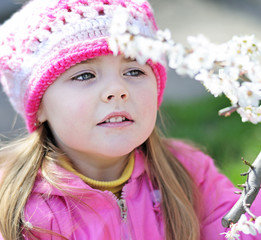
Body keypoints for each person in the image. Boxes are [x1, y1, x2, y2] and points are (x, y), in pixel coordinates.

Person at [0, 0, 260, 239]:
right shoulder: (24, 212)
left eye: (134, 70)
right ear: (40, 107)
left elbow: (245, 229)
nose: (117, 89)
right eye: (84, 75)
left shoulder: (191, 175)